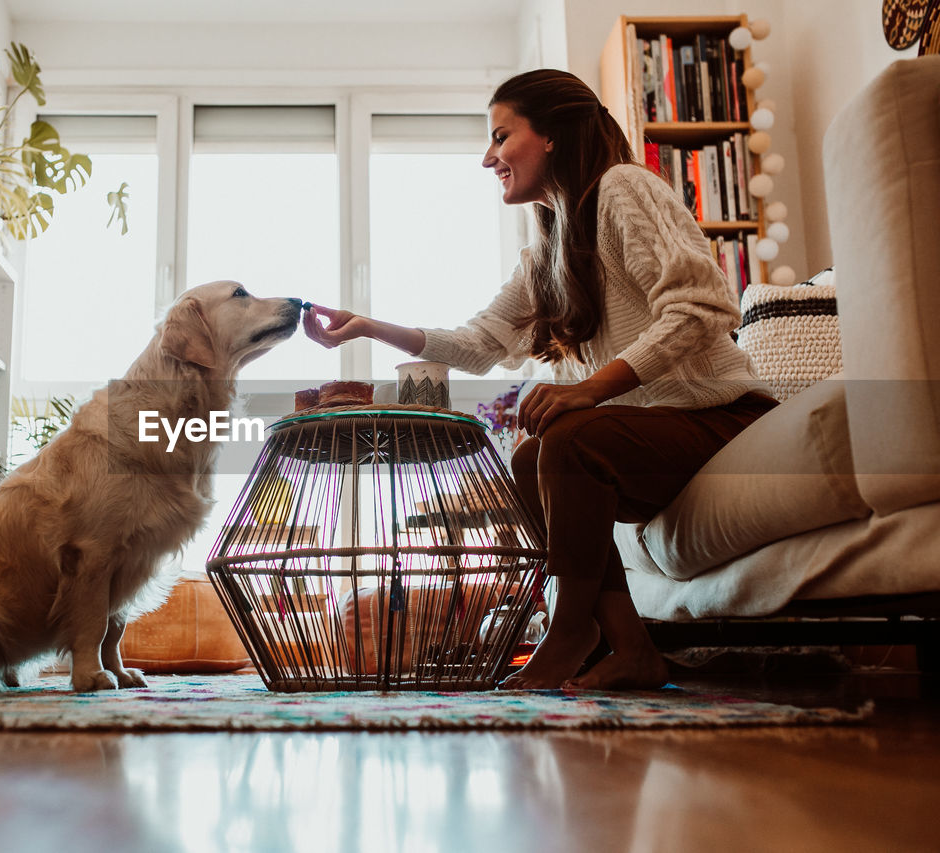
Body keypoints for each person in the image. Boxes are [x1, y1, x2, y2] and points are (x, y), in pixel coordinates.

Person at [302, 69, 776, 690]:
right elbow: (476, 346)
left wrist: (588, 389)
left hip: (722, 419)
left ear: (551, 135)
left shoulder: (623, 189)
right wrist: (367, 327)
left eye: (502, 136)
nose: (487, 158)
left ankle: (570, 631)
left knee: (572, 436)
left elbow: (701, 306)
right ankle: (631, 648)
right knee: (528, 462)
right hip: (654, 435)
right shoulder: (548, 252)